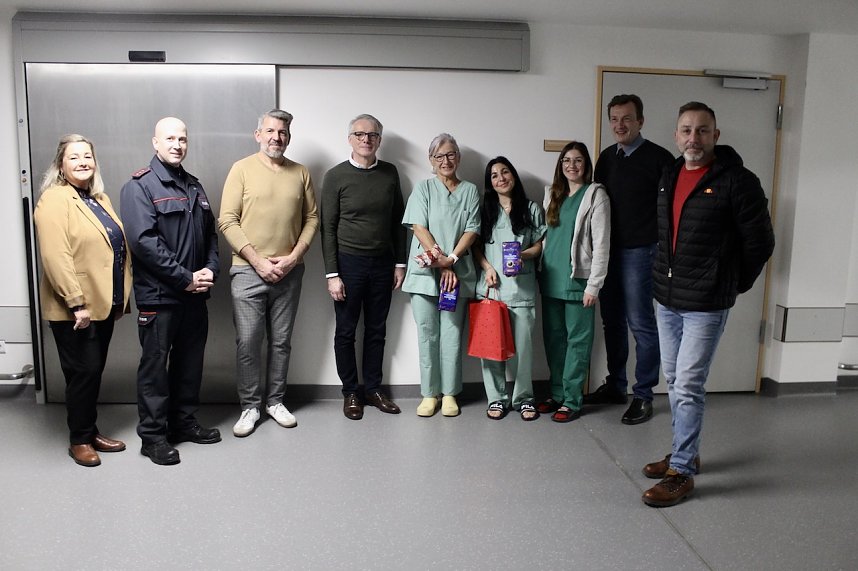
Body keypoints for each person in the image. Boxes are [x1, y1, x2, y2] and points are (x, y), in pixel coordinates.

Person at [641, 102, 774, 507]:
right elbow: (667, 233)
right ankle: (687, 450)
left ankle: (681, 470)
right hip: (667, 299)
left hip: (705, 304)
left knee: (689, 387)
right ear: (676, 135)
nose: (693, 138)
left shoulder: (738, 181)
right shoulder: (670, 174)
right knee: (675, 382)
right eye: (686, 130)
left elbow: (760, 242)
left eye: (702, 131)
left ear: (716, 135)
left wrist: (731, 283)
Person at [121, 117, 221, 465]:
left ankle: (183, 423)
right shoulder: (140, 186)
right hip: (160, 298)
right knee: (155, 370)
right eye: (170, 138)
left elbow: (210, 235)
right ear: (155, 142)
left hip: (195, 296)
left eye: (182, 138)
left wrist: (210, 269)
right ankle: (152, 437)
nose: (177, 144)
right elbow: (143, 243)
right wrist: (185, 277)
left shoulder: (194, 185)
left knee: (190, 364)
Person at [219, 109, 319, 437]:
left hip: (290, 271)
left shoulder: (300, 173)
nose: (277, 138)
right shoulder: (241, 170)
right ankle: (250, 406)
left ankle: (275, 401)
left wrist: (293, 257)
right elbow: (227, 220)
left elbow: (313, 218)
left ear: (289, 137)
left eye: (283, 133)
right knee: (248, 341)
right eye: (271, 131)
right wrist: (258, 261)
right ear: (258, 134)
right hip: (248, 271)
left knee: (281, 342)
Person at [34, 134, 132, 467]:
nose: (82, 162)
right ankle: (79, 440)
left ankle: (89, 431)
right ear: (61, 165)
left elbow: (112, 248)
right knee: (82, 373)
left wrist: (118, 299)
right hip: (75, 308)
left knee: (92, 372)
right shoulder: (54, 199)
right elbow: (55, 255)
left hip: (102, 304)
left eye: (87, 156)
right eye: (74, 157)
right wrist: (77, 302)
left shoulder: (97, 198)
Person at [588, 94, 674, 425]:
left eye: (627, 119)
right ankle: (616, 385)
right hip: (606, 252)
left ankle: (643, 394)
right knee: (611, 321)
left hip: (641, 252)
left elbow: (668, 213)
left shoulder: (660, 159)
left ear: (640, 121)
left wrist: (665, 254)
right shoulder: (607, 158)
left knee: (640, 323)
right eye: (614, 119)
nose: (619, 125)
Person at [321, 114, 406, 420]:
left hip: (383, 264)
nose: (366, 140)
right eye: (360, 134)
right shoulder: (335, 176)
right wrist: (333, 274)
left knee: (377, 330)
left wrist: (400, 263)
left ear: (379, 140)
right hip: (348, 264)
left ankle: (373, 388)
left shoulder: (390, 173)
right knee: (345, 332)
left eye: (372, 135)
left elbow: (398, 220)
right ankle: (351, 393)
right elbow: (327, 228)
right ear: (350, 139)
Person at [402, 133, 480, 417]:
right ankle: (429, 394)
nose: (445, 161)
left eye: (450, 155)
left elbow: (472, 229)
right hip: (426, 275)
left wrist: (453, 260)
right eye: (439, 156)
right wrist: (443, 263)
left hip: (456, 276)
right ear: (431, 161)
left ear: (458, 157)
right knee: (427, 335)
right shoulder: (423, 189)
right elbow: (418, 227)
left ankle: (449, 394)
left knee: (451, 334)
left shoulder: (470, 190)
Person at [537, 141, 611, 423]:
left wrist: (595, 285)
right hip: (551, 279)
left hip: (578, 281)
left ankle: (571, 399)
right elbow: (546, 237)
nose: (572, 165)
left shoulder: (595, 195)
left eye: (578, 160)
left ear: (586, 165)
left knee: (577, 342)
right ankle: (556, 394)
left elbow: (602, 244)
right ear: (560, 165)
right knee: (554, 341)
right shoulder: (552, 195)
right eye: (566, 160)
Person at [473, 157, 546, 421]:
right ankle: (496, 398)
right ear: (490, 183)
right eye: (494, 175)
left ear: (513, 175)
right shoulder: (485, 210)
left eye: (505, 172)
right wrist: (487, 268)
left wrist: (524, 255)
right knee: (491, 348)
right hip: (492, 289)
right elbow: (476, 245)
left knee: (523, 350)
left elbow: (540, 243)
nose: (500, 178)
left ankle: (524, 399)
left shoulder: (530, 209)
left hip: (522, 289)